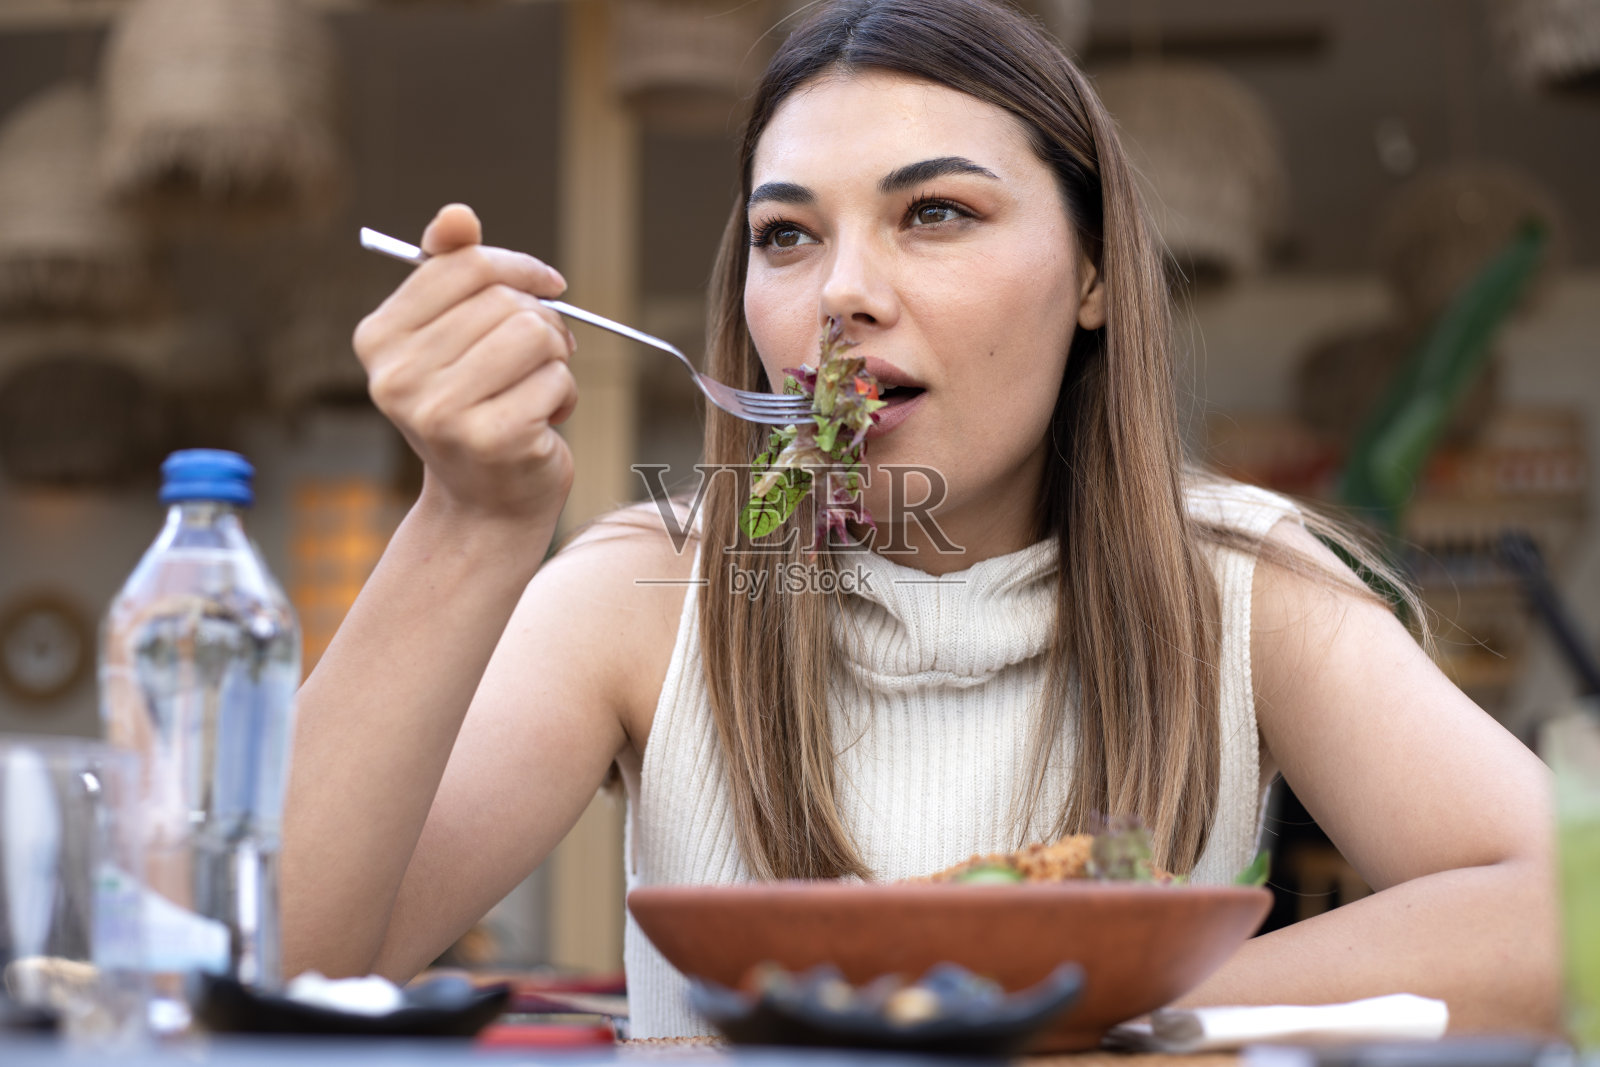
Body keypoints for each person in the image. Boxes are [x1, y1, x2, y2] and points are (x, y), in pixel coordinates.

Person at [281, 0, 1558, 1039]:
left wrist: (1066, 1019)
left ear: (1096, 271)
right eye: (788, 236)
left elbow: (1566, 915)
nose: (840, 290)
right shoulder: (650, 584)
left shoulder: (1236, 581)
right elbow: (284, 957)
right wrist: (468, 519)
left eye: (933, 213)